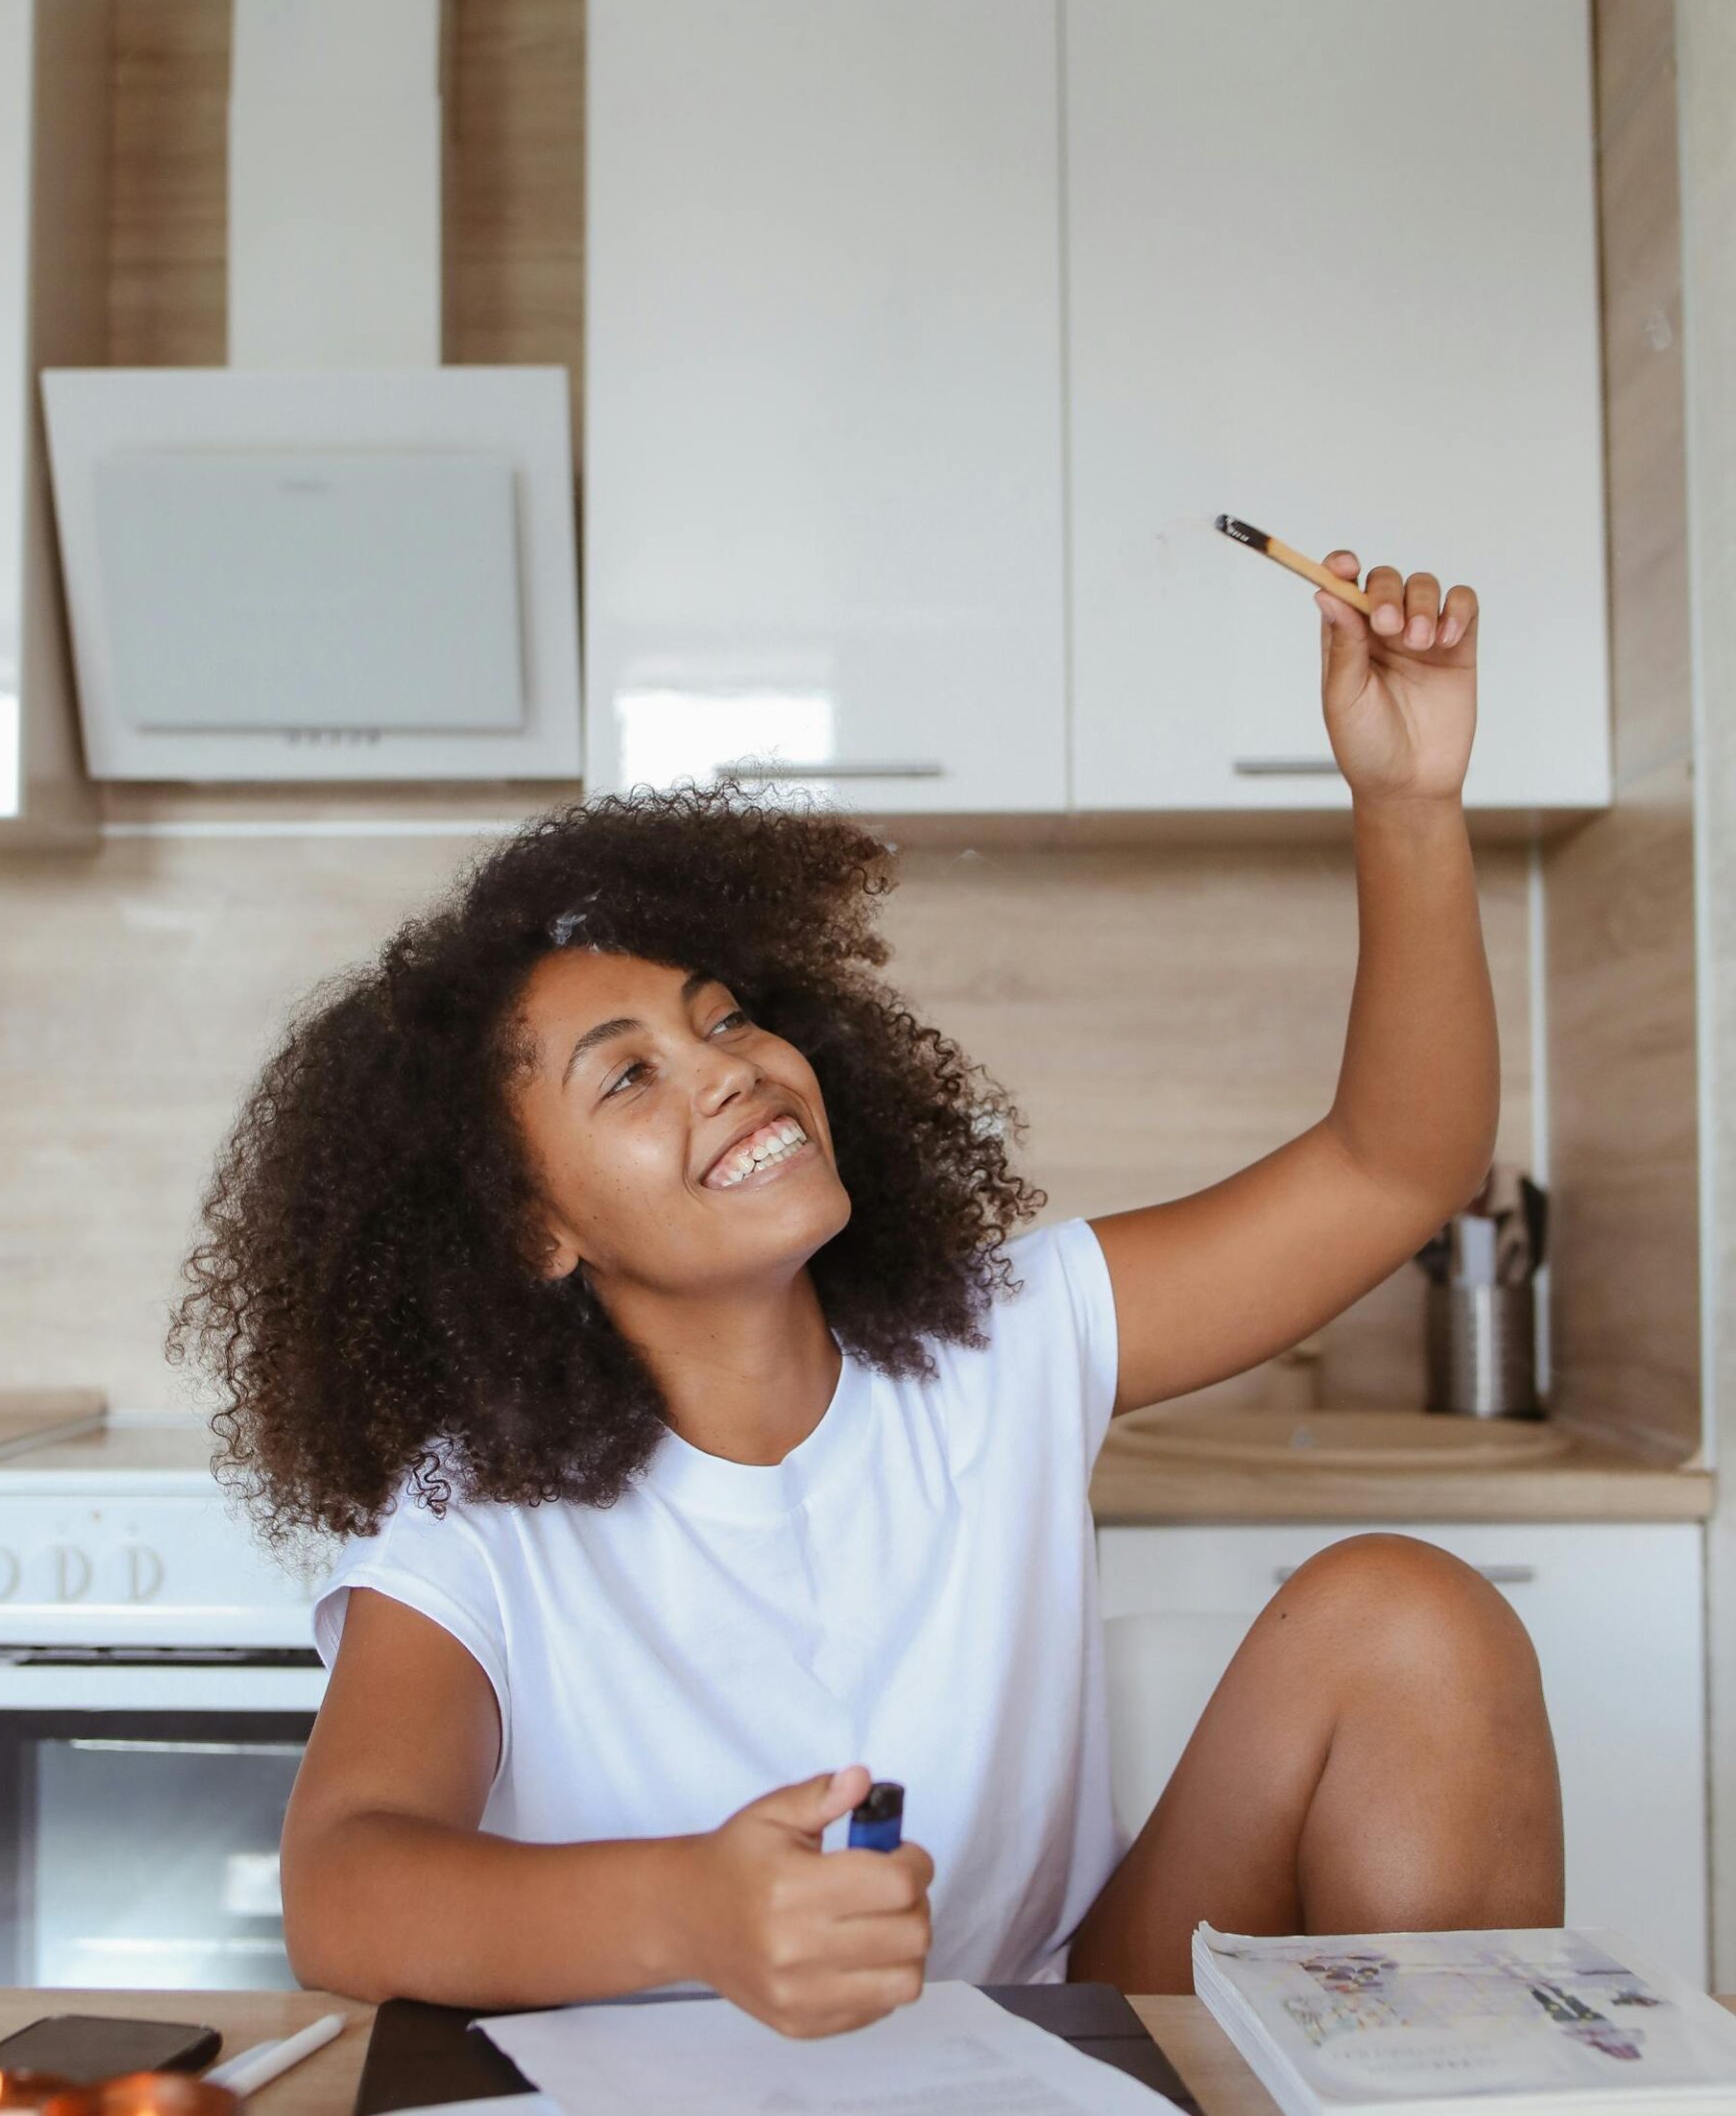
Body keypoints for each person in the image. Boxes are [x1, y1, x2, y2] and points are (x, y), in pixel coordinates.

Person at [173, 553, 1562, 2030]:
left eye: (731, 1018)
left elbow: (1394, 1169)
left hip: (1053, 2058)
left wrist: (1408, 803)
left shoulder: (1005, 1341)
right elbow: (341, 1888)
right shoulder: (480, 1521)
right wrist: (693, 1908)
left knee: (1409, 1620)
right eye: (632, 1073)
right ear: (533, 1228)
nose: (730, 1068)